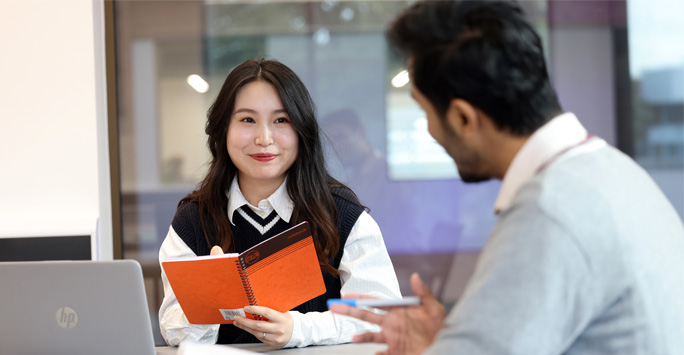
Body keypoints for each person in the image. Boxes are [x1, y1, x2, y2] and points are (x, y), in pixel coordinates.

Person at [330, 1, 684, 354]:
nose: (430, 132)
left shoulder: (548, 212)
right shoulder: (614, 170)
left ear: (464, 119)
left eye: (425, 112)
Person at [158, 58, 402, 348]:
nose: (264, 138)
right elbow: (173, 329)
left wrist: (298, 328)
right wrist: (210, 296)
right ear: (223, 130)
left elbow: (381, 315)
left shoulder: (342, 216)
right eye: (247, 120)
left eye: (281, 120)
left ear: (302, 131)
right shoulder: (193, 221)